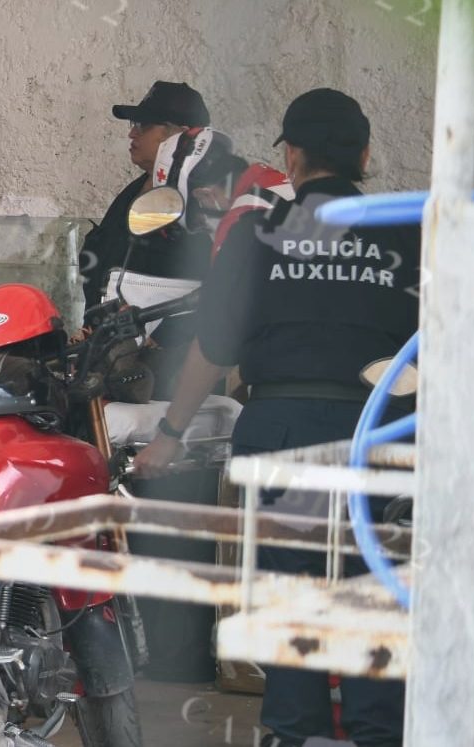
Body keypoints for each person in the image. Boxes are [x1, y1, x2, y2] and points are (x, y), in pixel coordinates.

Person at [133, 88, 418, 746]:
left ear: (291, 157)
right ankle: (378, 734)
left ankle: (294, 732)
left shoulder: (259, 230)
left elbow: (213, 348)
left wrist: (169, 436)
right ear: (364, 156)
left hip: (280, 428)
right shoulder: (408, 233)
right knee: (372, 592)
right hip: (377, 429)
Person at [80, 81, 214, 311]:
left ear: (182, 135)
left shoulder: (204, 200)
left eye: (143, 125)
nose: (132, 133)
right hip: (106, 328)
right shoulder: (135, 189)